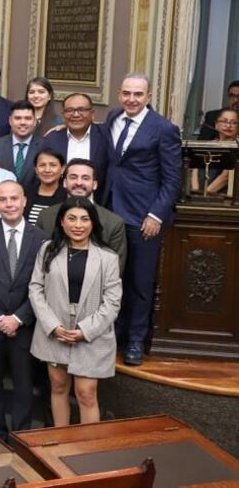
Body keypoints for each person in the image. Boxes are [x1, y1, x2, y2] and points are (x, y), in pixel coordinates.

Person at [100, 73, 181, 366]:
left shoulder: (163, 128)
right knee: (111, 277)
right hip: (110, 211)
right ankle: (114, 335)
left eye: (138, 94)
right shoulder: (113, 117)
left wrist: (156, 214)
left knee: (140, 281)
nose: (131, 99)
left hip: (143, 216)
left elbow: (172, 178)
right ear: (119, 95)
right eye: (126, 93)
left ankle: (135, 340)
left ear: (148, 97)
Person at [29, 197, 122, 426]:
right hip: (55, 330)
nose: (78, 225)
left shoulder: (108, 258)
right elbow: (35, 288)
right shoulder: (47, 250)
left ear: (93, 223)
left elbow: (112, 302)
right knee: (58, 387)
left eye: (84, 219)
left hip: (91, 334)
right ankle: (62, 441)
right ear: (62, 222)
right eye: (72, 218)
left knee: (86, 393)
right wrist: (52, 326)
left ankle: (86, 446)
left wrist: (84, 330)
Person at [0, 181, 49, 440]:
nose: (9, 204)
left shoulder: (41, 238)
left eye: (14, 198)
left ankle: (21, 436)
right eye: (3, 199)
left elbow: (43, 284)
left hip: (25, 325)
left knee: (24, 384)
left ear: (24, 201)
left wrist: (18, 318)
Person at [37, 158, 128, 267]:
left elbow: (116, 268)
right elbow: (38, 261)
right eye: (73, 177)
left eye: (85, 178)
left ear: (94, 184)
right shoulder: (45, 216)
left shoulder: (113, 223)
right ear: (65, 182)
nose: (79, 183)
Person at [43, 92, 111, 200]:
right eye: (70, 110)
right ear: (63, 115)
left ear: (92, 114)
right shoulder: (52, 139)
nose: (75, 114)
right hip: (60, 204)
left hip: (97, 204)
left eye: (81, 110)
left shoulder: (106, 136)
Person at [0, 100, 44, 190]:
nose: (23, 122)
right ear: (10, 121)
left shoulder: (44, 146)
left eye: (28, 118)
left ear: (35, 122)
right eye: (18, 118)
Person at [191, 108, 239, 193]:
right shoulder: (208, 145)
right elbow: (195, 169)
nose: (228, 126)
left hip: (224, 194)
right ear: (216, 125)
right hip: (199, 193)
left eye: (234, 123)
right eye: (224, 121)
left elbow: (226, 177)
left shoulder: (236, 146)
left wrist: (205, 194)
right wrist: (195, 191)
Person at [25, 149, 67, 225]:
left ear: (62, 169)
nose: (47, 170)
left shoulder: (67, 196)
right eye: (42, 165)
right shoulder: (24, 193)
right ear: (36, 170)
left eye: (53, 165)